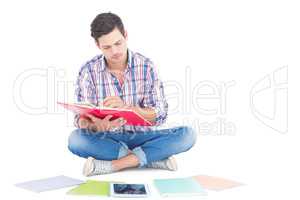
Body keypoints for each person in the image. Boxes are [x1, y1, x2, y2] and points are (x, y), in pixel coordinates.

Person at [68, 12, 197, 176]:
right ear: (97, 45)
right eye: (107, 47)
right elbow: (80, 119)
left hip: (144, 136)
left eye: (118, 43)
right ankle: (150, 158)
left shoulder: (146, 66)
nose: (115, 51)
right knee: (75, 140)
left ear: (126, 35)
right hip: (108, 139)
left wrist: (130, 109)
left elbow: (161, 114)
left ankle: (115, 165)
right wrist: (95, 126)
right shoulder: (88, 71)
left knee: (187, 135)